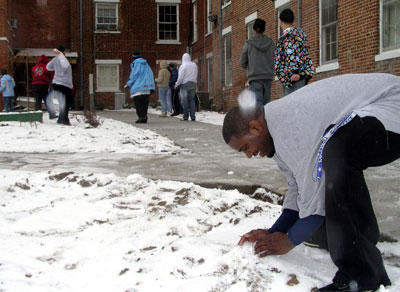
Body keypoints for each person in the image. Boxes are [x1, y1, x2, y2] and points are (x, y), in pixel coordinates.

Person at [222, 73, 400, 292]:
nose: (249, 155)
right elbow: (298, 189)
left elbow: (314, 200)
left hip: (391, 105)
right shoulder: (276, 132)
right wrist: (275, 231)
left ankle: (361, 277)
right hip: (369, 114)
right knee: (333, 157)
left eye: (245, 148)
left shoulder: (290, 126)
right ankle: (354, 241)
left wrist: (289, 240)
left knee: (336, 150)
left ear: (255, 128)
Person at [275, 8, 314, 96]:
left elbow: (291, 52)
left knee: (291, 105)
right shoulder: (299, 34)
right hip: (302, 74)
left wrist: (294, 72)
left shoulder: (288, 36)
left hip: (291, 77)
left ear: (281, 21)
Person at [240, 18, 275, 108]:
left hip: (255, 78)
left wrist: (251, 66)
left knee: (257, 104)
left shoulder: (249, 44)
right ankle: (266, 121)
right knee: (267, 104)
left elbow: (242, 62)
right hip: (268, 77)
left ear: (254, 29)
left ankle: (260, 121)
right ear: (264, 29)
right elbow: (276, 58)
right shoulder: (271, 43)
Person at [125, 50, 155, 124]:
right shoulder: (146, 64)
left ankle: (141, 117)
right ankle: (144, 117)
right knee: (145, 104)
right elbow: (151, 75)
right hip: (147, 88)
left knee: (139, 104)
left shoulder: (136, 64)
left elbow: (134, 75)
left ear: (133, 57)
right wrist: (151, 86)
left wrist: (128, 84)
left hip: (138, 88)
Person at [46, 45, 73, 125]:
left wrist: (55, 68)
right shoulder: (63, 59)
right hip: (64, 84)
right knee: (66, 103)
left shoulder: (55, 59)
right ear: (63, 52)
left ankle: (61, 119)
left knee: (62, 103)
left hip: (56, 83)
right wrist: (61, 55)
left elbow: (48, 67)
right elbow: (65, 66)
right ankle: (64, 120)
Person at [175, 53, 198, 121]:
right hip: (193, 83)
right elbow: (196, 74)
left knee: (184, 101)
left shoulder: (183, 66)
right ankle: (193, 116)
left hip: (184, 85)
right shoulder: (194, 65)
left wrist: (176, 84)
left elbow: (180, 77)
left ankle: (185, 116)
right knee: (192, 100)